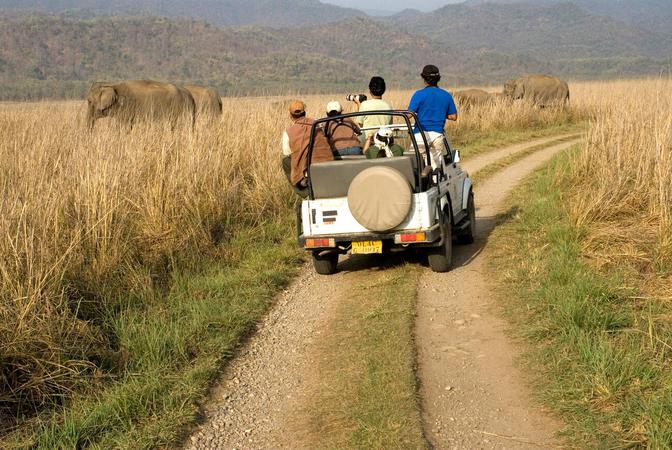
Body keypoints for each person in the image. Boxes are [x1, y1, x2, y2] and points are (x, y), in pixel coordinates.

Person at [408, 65, 458, 169]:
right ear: (438, 78)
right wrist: (441, 113)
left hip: (420, 135)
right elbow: (453, 116)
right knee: (435, 168)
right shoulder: (446, 95)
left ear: (424, 78)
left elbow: (408, 115)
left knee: (415, 166)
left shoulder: (419, 94)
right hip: (437, 135)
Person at [281, 100, 333, 196]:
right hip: (327, 161)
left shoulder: (288, 132)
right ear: (305, 113)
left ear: (290, 116)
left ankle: (304, 192)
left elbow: (287, 152)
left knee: (285, 161)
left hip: (309, 167)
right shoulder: (317, 123)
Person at [353, 76, 393, 150]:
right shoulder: (388, 106)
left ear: (370, 90)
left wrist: (359, 105)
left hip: (369, 142)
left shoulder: (364, 105)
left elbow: (360, 124)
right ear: (383, 90)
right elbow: (390, 125)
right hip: (384, 141)